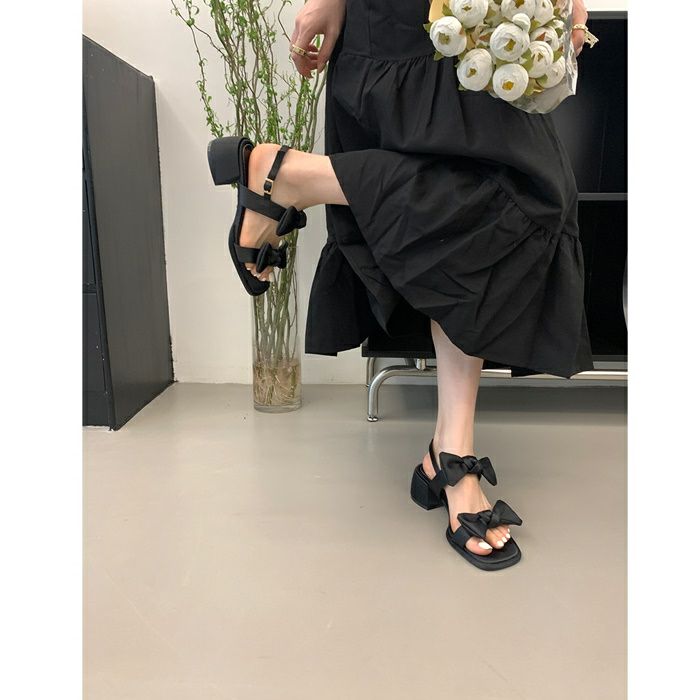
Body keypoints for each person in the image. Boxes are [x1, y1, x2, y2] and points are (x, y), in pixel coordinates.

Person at [209, 0, 593, 569]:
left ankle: (447, 452)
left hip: (494, 18)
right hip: (398, 24)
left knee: (504, 212)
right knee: (487, 204)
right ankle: (283, 177)